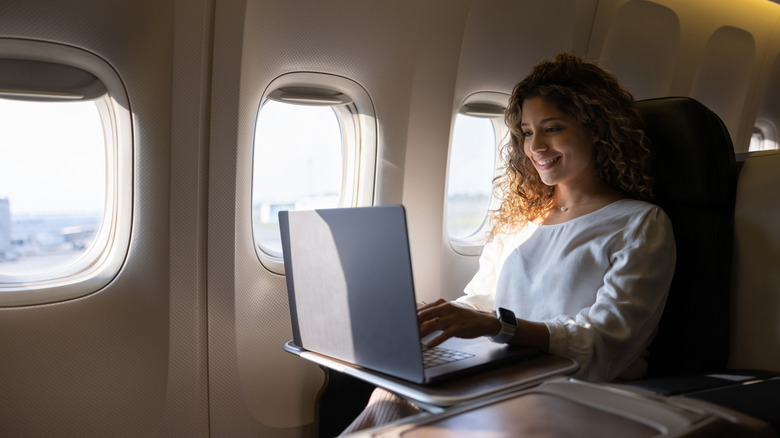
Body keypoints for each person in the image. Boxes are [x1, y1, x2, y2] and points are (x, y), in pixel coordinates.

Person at [341, 52, 676, 434]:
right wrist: (434, 317)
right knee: (393, 393)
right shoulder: (521, 218)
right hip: (505, 377)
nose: (535, 147)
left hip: (574, 394)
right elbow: (483, 301)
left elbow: (603, 345)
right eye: (527, 132)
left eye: (552, 128)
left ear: (595, 128)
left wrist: (496, 326)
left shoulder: (639, 224)